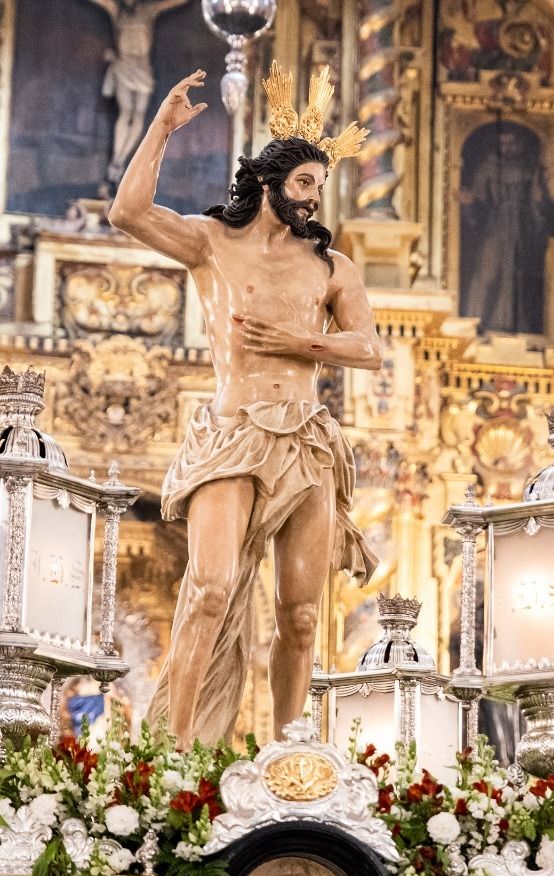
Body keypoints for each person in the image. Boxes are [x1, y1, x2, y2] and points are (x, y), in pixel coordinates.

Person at [108, 66, 379, 748]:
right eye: (306, 184)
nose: (316, 199)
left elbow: (368, 348)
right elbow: (129, 213)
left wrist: (300, 340)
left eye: (321, 185)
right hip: (231, 431)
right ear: (271, 183)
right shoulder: (211, 243)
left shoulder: (331, 268)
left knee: (301, 616)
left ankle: (292, 759)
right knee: (208, 587)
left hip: (306, 442)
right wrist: (161, 131)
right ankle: (169, 753)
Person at [459, 124, 554, 334]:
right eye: (503, 143)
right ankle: (475, 322)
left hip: (524, 227)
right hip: (496, 226)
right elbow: (478, 202)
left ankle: (517, 325)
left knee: (518, 277)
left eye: (512, 143)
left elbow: (539, 202)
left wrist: (541, 198)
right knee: (487, 271)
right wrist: (469, 203)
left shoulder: (531, 168)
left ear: (520, 144)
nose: (508, 148)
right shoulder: (488, 167)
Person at [83, 0, 192, 182]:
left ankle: (120, 159)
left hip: (142, 67)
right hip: (124, 65)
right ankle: (116, 161)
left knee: (139, 114)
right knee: (126, 112)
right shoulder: (117, 11)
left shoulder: (149, 10)